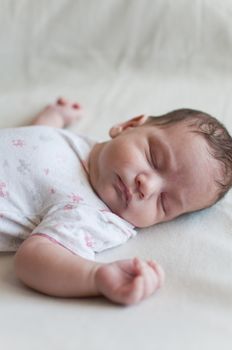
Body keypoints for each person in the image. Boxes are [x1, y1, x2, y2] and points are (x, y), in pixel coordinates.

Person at [1, 97, 232, 305]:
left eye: (164, 202)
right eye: (153, 158)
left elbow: (33, 258)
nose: (148, 187)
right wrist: (54, 118)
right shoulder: (84, 147)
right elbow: (37, 141)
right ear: (128, 126)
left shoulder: (91, 215)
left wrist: (94, 277)